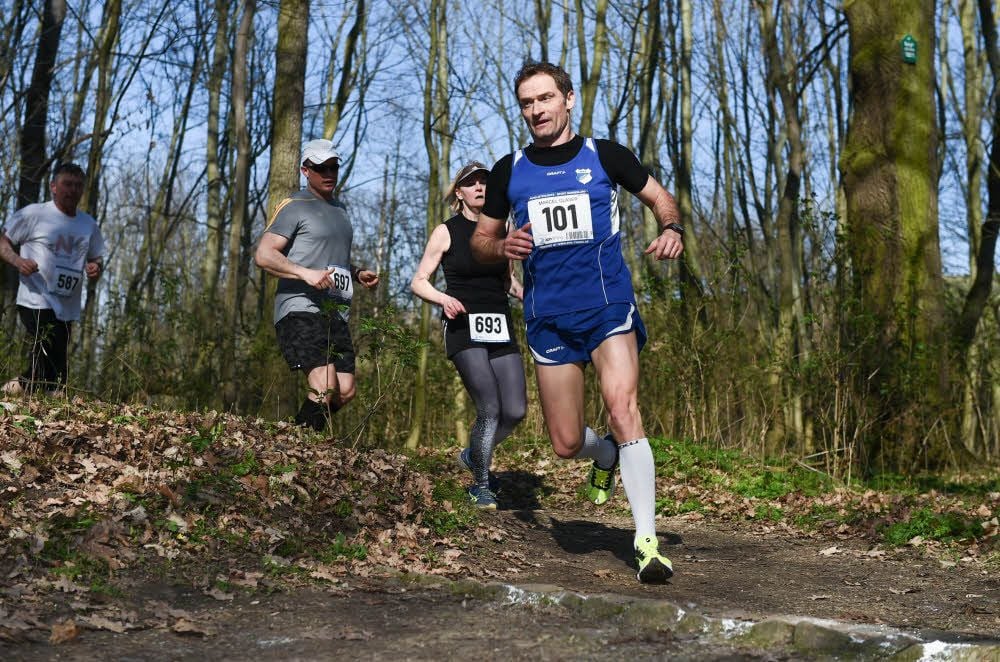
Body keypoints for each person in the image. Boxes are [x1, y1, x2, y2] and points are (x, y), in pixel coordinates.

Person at [471, 62, 685, 583]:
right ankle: (605, 455)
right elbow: (480, 242)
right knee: (565, 443)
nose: (536, 110)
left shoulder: (603, 155)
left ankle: (647, 541)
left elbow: (660, 197)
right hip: (548, 317)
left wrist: (672, 227)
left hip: (608, 306)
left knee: (622, 407)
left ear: (568, 100)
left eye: (545, 99)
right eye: (526, 103)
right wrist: (502, 246)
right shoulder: (509, 170)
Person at [410, 162, 528, 509]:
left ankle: (473, 453)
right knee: (489, 406)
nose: (480, 187)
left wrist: (528, 295)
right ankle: (480, 484)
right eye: (471, 183)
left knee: (516, 409)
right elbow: (418, 281)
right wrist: (443, 299)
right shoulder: (446, 231)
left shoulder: (503, 229)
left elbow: (507, 281)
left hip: (499, 323)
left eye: (485, 183)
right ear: (458, 192)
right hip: (463, 323)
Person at [254, 139, 378, 432]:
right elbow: (264, 254)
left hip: (334, 311)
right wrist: (304, 273)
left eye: (333, 167)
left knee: (344, 390)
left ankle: (297, 438)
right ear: (305, 170)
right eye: (321, 168)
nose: (329, 173)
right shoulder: (295, 206)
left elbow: (329, 260)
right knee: (324, 386)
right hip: (299, 307)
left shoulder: (341, 210)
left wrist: (357, 273)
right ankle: (293, 449)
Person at [0, 163, 105, 397]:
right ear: (54, 187)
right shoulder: (34, 214)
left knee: (47, 369)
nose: (73, 190)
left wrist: (95, 267)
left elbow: (97, 258)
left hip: (67, 305)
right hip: (35, 298)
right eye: (67, 184)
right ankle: (54, 406)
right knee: (49, 355)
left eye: (78, 185)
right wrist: (18, 261)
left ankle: (11, 394)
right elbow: (3, 242)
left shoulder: (88, 224)